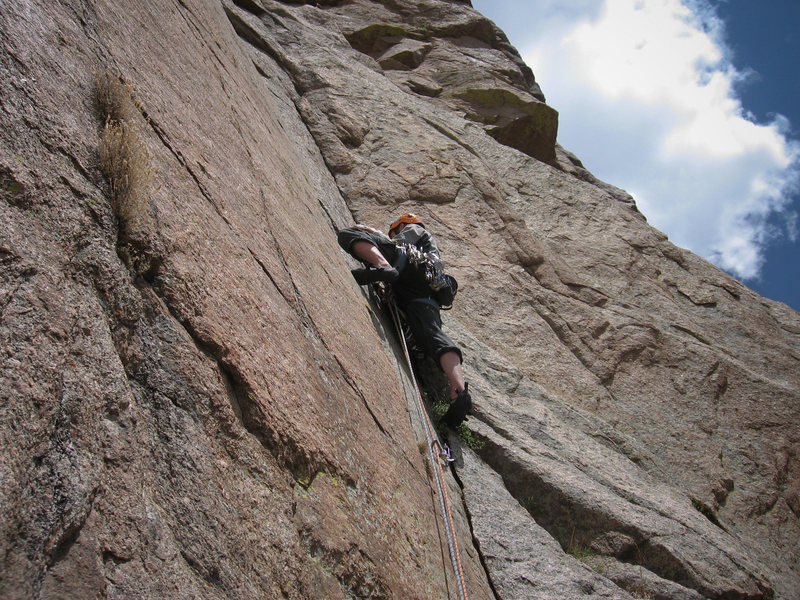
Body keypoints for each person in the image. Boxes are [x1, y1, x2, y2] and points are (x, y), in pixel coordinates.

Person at [337, 213, 472, 427]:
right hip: (423, 298)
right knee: (433, 336)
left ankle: (382, 266)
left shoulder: (416, 230)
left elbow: (396, 244)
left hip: (405, 266)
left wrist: (373, 234)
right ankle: (460, 391)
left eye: (396, 230)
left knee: (348, 234)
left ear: (403, 225)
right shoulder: (433, 257)